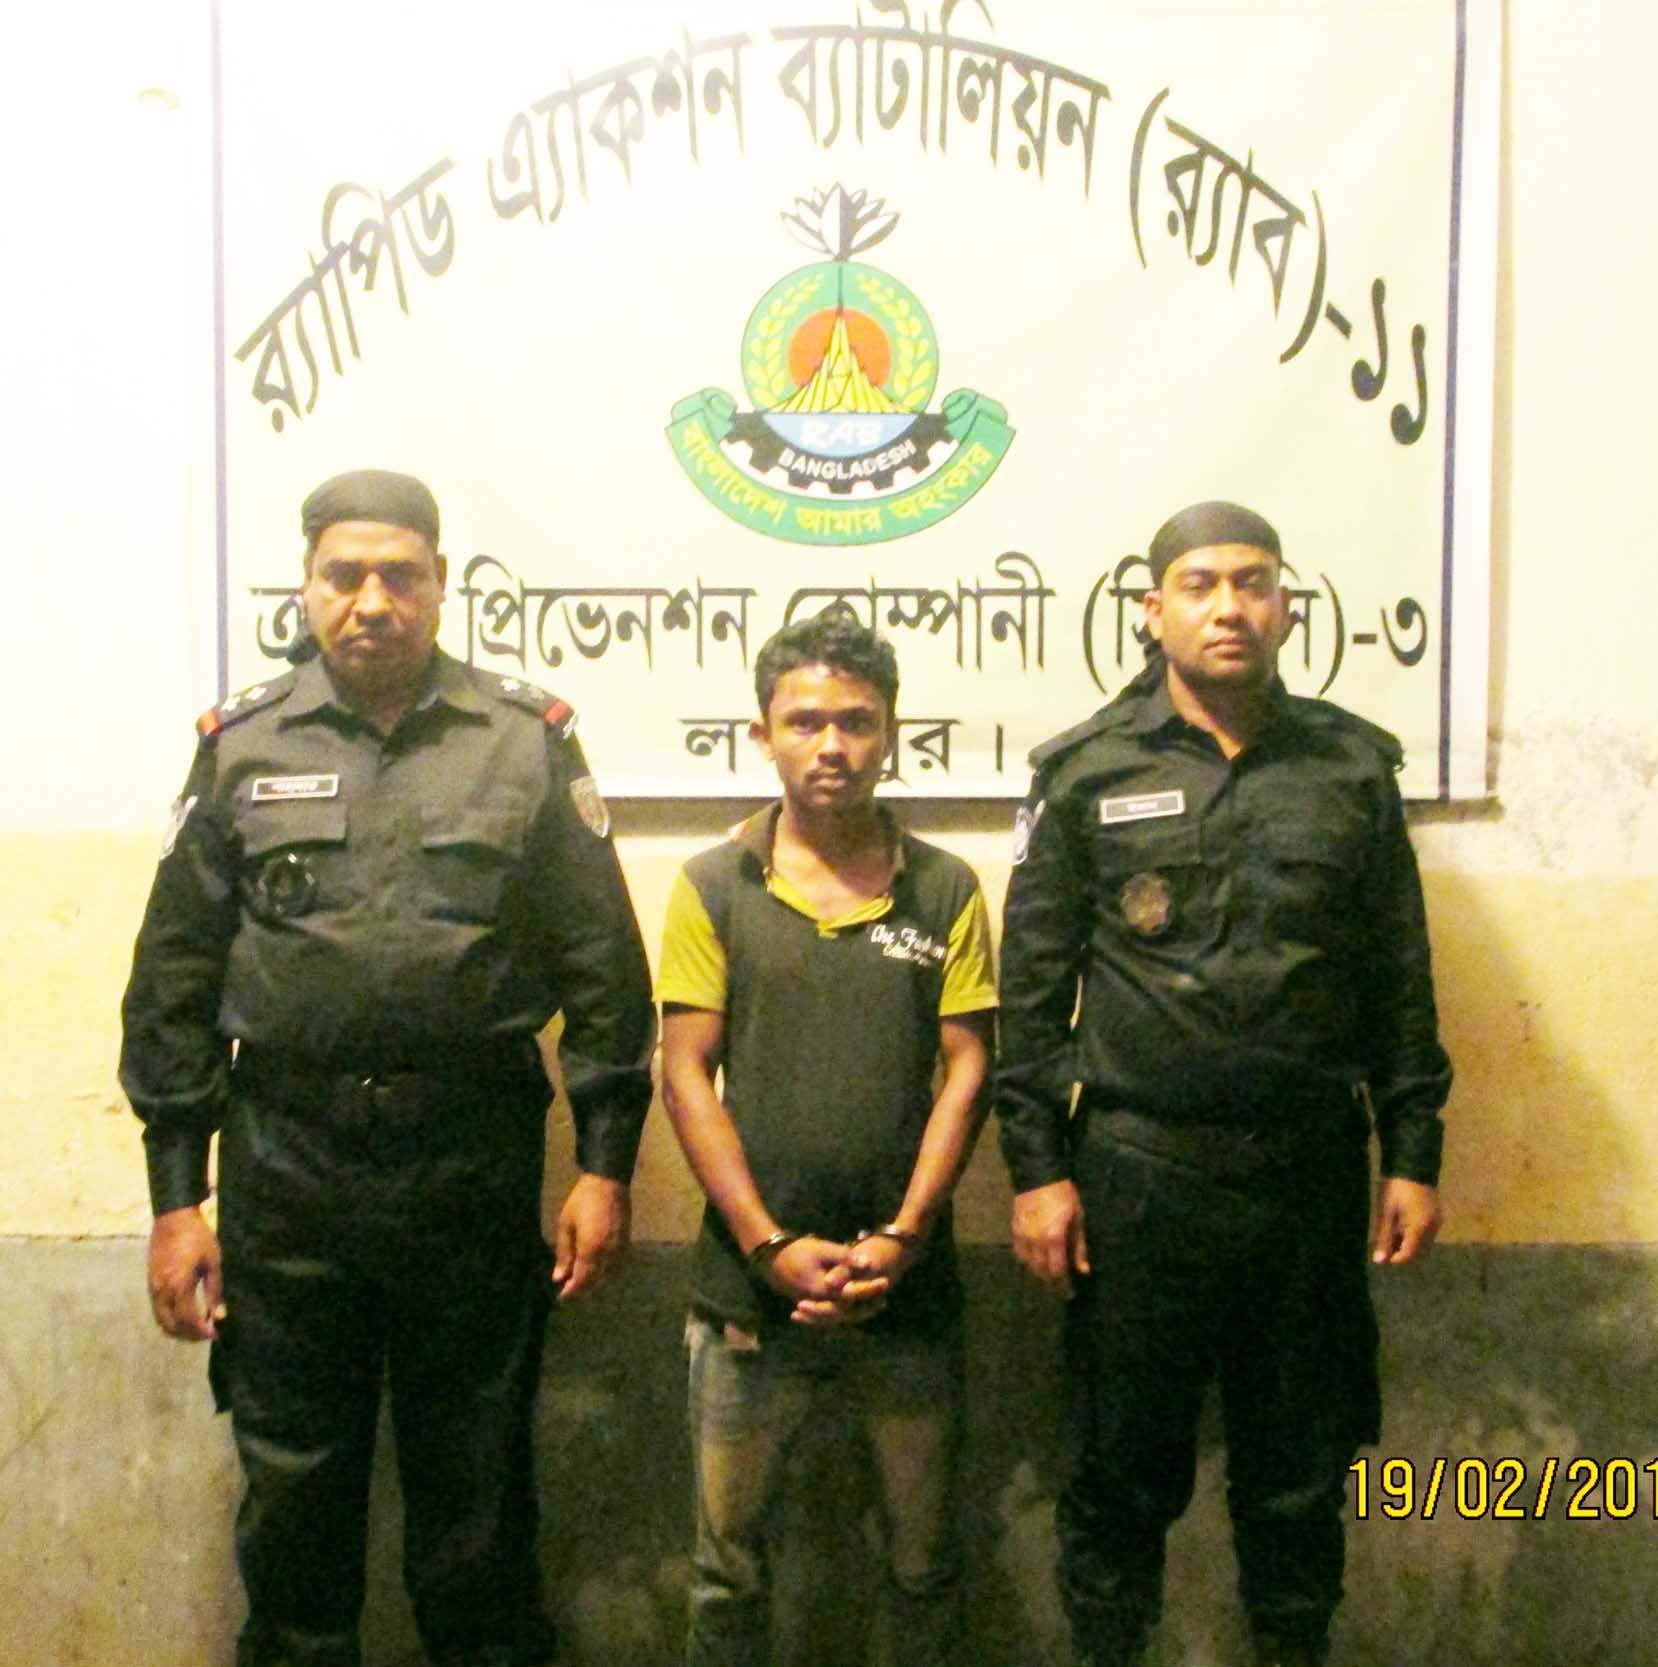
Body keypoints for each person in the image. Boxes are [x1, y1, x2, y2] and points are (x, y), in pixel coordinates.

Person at [119, 469, 655, 1667]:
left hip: (468, 1168)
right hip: (287, 1173)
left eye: (399, 575)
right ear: (306, 587)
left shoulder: (522, 743)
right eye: (345, 575)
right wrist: (175, 1196)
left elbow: (604, 974)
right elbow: (173, 982)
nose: (372, 600)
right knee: (294, 1503)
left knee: (478, 1502)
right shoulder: (240, 747)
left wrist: (605, 1164)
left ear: (441, 583)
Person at [996, 501, 1452, 1667]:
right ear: (1151, 610)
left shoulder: (1348, 768)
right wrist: (1036, 1172)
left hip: (1305, 1173)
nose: (1227, 606)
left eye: (1251, 582)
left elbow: (1396, 975)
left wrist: (1411, 1150)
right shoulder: (1085, 771)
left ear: (1285, 604)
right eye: (1198, 584)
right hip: (1138, 1176)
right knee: (1117, 1474)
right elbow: (1032, 997)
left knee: (1297, 1476)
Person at [656, 609, 997, 1667]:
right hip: (747, 1300)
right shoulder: (712, 886)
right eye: (804, 721)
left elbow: (968, 1068)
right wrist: (765, 1242)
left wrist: (902, 1236)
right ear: (763, 735)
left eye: (856, 720)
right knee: (727, 1576)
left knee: (922, 1565)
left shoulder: (944, 888)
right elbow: (684, 1071)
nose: (832, 744)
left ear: (891, 732)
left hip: (907, 1295)